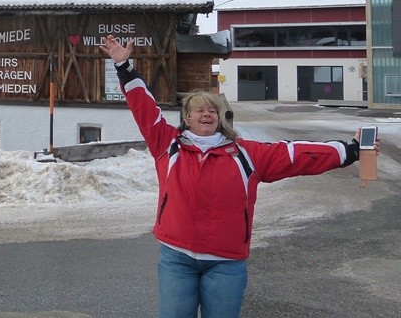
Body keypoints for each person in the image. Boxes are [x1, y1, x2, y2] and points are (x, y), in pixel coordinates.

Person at [98, 34, 377, 318]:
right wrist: (124, 67)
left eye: (212, 110)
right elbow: (143, 107)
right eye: (199, 110)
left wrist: (350, 150)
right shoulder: (167, 145)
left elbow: (296, 155)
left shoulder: (247, 154)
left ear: (219, 118)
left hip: (226, 261)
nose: (206, 114)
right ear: (187, 118)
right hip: (176, 257)